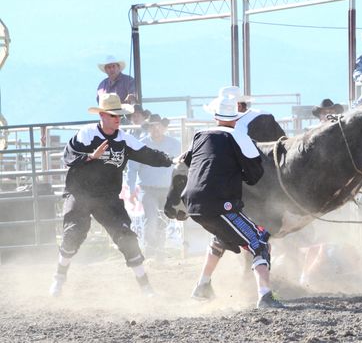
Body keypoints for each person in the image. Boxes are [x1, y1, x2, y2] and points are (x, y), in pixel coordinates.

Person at [49, 93, 173, 298]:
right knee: (73, 233)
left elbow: (149, 154)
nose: (118, 119)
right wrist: (90, 156)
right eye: (114, 116)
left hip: (107, 198)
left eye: (119, 116)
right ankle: (59, 278)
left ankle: (146, 288)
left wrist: (171, 160)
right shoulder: (86, 135)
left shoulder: (125, 140)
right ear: (103, 116)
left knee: (126, 237)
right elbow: (68, 156)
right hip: (80, 193)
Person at [172, 90, 284, 309]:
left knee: (222, 237)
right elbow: (254, 173)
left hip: (193, 204)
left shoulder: (199, 136)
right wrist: (237, 173)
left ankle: (202, 286)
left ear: (215, 116)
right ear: (237, 117)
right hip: (220, 203)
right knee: (260, 241)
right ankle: (265, 296)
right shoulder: (240, 137)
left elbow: (186, 160)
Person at [127, 114, 181, 261]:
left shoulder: (175, 144)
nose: (156, 128)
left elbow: (181, 166)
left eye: (159, 125)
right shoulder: (141, 145)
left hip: (167, 189)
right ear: (149, 128)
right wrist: (131, 191)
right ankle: (151, 253)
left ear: (164, 127)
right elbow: (132, 169)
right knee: (151, 220)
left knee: (162, 220)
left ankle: (159, 253)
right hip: (147, 188)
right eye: (152, 126)